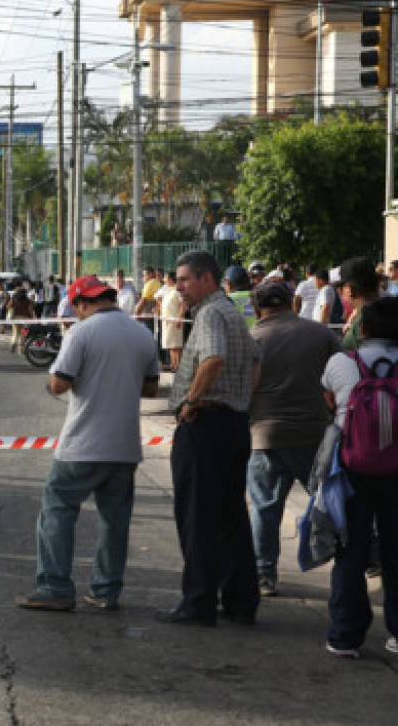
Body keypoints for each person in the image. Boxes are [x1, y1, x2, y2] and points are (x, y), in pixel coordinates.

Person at [17, 275, 159, 612]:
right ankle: (105, 590)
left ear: (82, 302)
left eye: (76, 307)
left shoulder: (81, 332)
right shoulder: (142, 333)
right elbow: (151, 389)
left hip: (83, 444)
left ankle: (55, 587)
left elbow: (59, 383)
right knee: (114, 521)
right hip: (124, 446)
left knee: (57, 509)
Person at [158, 250, 261, 627]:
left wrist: (192, 402)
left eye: (185, 279)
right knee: (230, 516)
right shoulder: (232, 311)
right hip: (232, 423)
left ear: (206, 279)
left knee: (198, 518)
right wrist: (241, 402)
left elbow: (213, 359)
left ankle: (198, 603)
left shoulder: (211, 313)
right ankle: (239, 600)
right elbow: (255, 362)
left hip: (207, 424)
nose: (179, 287)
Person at [246, 281, 341, 598]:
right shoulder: (321, 334)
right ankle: (353, 560)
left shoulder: (252, 338)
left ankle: (264, 574)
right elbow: (341, 379)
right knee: (331, 502)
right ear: (292, 302)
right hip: (313, 435)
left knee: (265, 509)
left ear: (258, 308)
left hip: (265, 436)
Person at [319, 296, 398, 658]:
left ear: (361, 328)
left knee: (350, 550)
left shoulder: (342, 361)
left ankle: (346, 635)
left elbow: (330, 400)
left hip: (351, 467)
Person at [339, 256, 382, 351]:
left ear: (349, 289)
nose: (340, 293)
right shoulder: (387, 311)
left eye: (341, 287)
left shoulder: (364, 319)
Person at [160, 271, 185, 371]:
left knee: (176, 344)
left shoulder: (177, 291)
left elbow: (184, 304)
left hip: (175, 321)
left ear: (171, 279)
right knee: (170, 344)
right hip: (167, 322)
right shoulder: (169, 290)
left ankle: (178, 365)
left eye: (166, 278)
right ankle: (173, 364)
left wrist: (179, 318)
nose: (165, 280)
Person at [8, 287, 35, 352]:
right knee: (23, 333)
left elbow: (8, 306)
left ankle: (13, 343)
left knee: (15, 332)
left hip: (15, 318)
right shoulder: (28, 300)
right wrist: (32, 317)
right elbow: (30, 310)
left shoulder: (14, 299)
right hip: (25, 319)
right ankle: (21, 348)